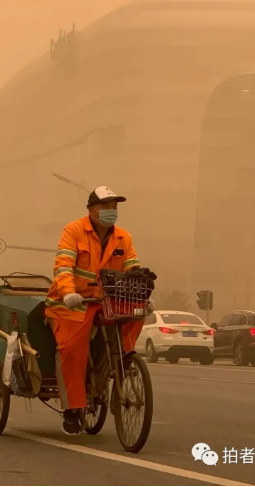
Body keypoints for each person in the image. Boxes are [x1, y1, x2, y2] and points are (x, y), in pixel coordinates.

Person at [45, 185, 153, 435]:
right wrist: (68, 292)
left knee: (134, 316)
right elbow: (63, 266)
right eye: (105, 206)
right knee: (72, 349)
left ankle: (121, 363)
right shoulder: (73, 231)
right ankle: (73, 408)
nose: (111, 211)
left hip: (107, 303)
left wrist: (142, 295)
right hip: (72, 302)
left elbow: (132, 270)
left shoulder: (123, 238)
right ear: (92, 209)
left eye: (114, 207)